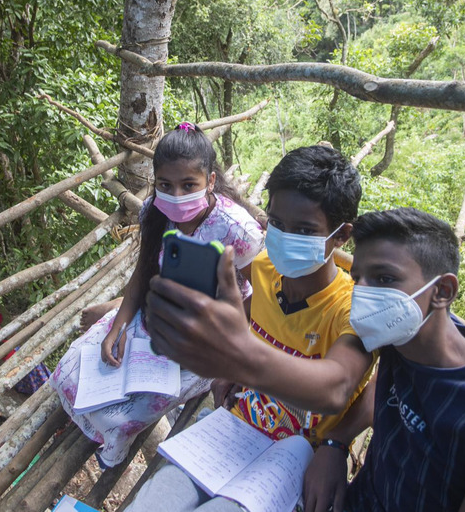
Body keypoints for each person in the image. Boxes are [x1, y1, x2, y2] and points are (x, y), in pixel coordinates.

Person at [142, 208, 465, 512]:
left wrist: (237, 355)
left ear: (441, 292)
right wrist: (336, 443)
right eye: (360, 278)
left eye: (386, 280)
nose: (365, 293)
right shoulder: (399, 338)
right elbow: (373, 391)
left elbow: (335, 388)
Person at [128, 145, 375, 511]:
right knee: (154, 501)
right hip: (236, 425)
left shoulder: (354, 309)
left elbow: (336, 388)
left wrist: (238, 361)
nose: (285, 236)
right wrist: (228, 369)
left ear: (341, 236)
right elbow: (248, 319)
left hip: (297, 451)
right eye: (276, 223)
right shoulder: (263, 271)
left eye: (305, 230)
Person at [49, 122, 264, 468]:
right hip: (154, 317)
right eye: (166, 185)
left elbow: (257, 299)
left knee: (119, 420)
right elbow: (142, 273)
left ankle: (113, 448)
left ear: (210, 181)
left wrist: (236, 354)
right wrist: (118, 326)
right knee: (67, 372)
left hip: (208, 339)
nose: (176, 196)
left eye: (188, 185)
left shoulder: (238, 230)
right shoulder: (155, 211)